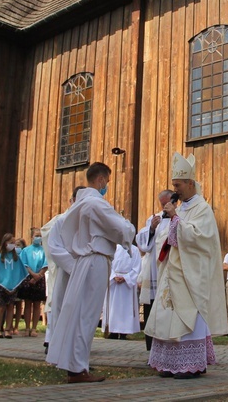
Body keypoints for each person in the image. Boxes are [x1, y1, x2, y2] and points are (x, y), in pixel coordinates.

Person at [46, 162, 135, 383]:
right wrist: (129, 226)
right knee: (87, 315)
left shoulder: (79, 205)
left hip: (84, 260)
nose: (107, 187)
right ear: (101, 180)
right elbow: (122, 229)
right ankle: (78, 369)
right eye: (107, 182)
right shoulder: (96, 204)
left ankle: (75, 365)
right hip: (94, 259)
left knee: (79, 313)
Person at [145, 152, 226, 380]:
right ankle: (171, 364)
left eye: (178, 185)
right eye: (173, 185)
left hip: (192, 275)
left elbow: (201, 238)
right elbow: (167, 237)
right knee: (169, 316)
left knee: (188, 316)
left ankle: (192, 364)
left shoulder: (202, 208)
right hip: (174, 272)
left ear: (190, 183)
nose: (175, 190)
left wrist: (176, 222)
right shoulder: (179, 208)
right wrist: (169, 225)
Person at [41, 186, 84, 353]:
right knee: (58, 305)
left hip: (78, 271)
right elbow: (50, 240)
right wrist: (73, 265)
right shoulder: (61, 219)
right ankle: (54, 343)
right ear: (71, 200)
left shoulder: (83, 219)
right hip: (62, 270)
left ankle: (71, 346)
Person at [135, 189, 176, 351]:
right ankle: (152, 348)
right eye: (163, 203)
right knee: (152, 308)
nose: (165, 206)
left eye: (168, 202)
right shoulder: (155, 219)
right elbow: (144, 245)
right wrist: (151, 229)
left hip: (172, 269)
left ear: (174, 202)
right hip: (155, 270)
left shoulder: (180, 217)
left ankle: (169, 348)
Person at [0, 233, 28, 338]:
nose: (12, 245)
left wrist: (15, 285)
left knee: (11, 307)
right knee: (1, 308)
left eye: (14, 243)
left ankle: (8, 329)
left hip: (13, 286)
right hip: (1, 286)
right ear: (5, 243)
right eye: (10, 243)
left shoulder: (17, 258)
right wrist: (3, 284)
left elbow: (20, 272)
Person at [102, 243, 142, 339]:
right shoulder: (113, 248)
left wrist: (126, 278)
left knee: (125, 308)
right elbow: (108, 263)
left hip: (126, 284)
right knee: (113, 307)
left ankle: (125, 331)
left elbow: (137, 268)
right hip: (114, 283)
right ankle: (112, 331)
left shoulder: (134, 250)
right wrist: (113, 276)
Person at [19, 228, 48, 337]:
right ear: (32, 237)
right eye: (36, 235)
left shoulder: (44, 250)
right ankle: (27, 327)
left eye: (40, 235)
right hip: (28, 277)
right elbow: (24, 264)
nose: (38, 238)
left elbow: (46, 264)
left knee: (37, 304)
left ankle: (34, 328)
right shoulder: (26, 250)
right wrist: (32, 274)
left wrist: (38, 276)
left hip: (39, 278)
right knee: (27, 304)